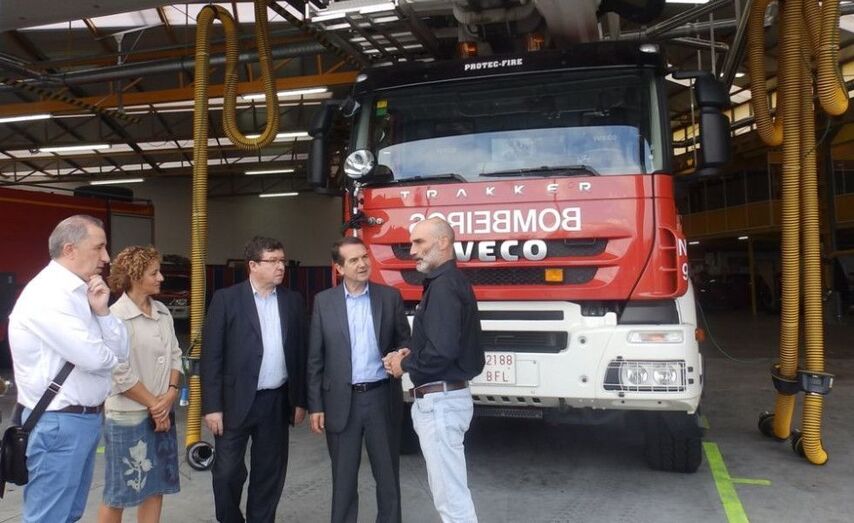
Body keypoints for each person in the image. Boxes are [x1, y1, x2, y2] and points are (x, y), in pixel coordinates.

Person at [7, 214, 129, 522]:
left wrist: (102, 313)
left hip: (80, 421)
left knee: (69, 514)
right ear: (70, 249)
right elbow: (95, 358)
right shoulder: (48, 296)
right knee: (49, 517)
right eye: (99, 248)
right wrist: (105, 350)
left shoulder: (81, 293)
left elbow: (120, 351)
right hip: (59, 423)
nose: (106, 257)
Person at [384, 217, 484, 523]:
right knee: (450, 494)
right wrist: (413, 352)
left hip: (440, 403)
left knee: (451, 499)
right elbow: (444, 343)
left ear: (443, 242)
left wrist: (405, 363)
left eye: (419, 242)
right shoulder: (448, 283)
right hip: (444, 399)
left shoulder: (443, 287)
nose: (412, 250)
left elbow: (443, 351)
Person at [201, 236, 308, 523]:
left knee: (269, 473)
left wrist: (300, 400)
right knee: (226, 473)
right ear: (252, 265)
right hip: (235, 401)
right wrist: (212, 406)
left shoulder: (292, 301)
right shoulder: (226, 299)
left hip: (276, 400)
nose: (280, 267)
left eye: (283, 261)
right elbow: (211, 356)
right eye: (272, 261)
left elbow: (300, 353)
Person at [307, 237, 411, 523]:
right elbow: (315, 359)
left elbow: (405, 340)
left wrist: (402, 354)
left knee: (388, 478)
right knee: (343, 479)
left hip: (381, 398)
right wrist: (316, 405)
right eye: (353, 260)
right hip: (341, 400)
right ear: (339, 268)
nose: (363, 263)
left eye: (364, 256)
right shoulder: (324, 302)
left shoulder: (389, 297)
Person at [98, 246, 183, 523]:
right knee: (119, 494)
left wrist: (170, 395)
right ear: (134, 276)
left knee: (155, 488)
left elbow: (175, 356)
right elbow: (119, 372)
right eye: (154, 272)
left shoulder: (162, 312)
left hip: (162, 413)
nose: (161, 278)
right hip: (128, 417)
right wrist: (156, 406)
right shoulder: (115, 317)